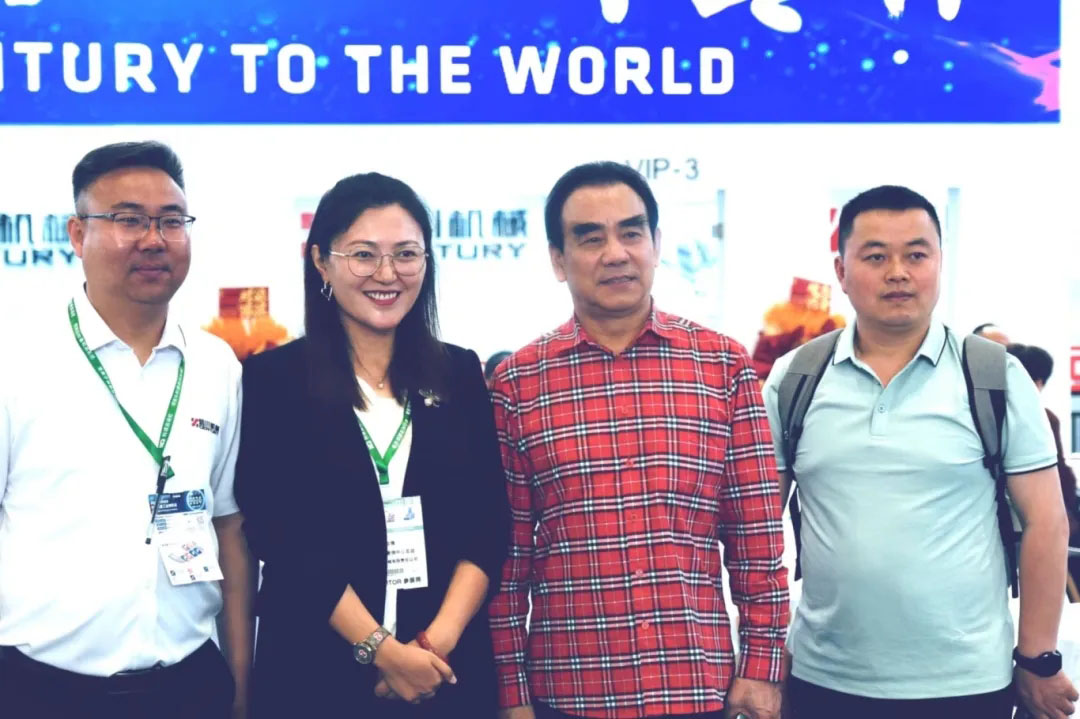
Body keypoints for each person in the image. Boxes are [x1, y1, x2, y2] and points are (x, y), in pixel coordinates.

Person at [488, 162, 789, 719]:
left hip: (697, 690)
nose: (616, 253)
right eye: (590, 238)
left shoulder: (722, 367)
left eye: (631, 232)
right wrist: (512, 694)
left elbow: (757, 538)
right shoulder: (518, 384)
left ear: (656, 244)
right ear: (558, 259)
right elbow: (509, 561)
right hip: (568, 694)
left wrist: (761, 668)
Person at [763, 185, 1078, 719]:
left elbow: (1046, 522)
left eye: (916, 255)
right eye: (875, 256)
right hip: (824, 677)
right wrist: (765, 656)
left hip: (968, 683)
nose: (898, 273)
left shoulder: (994, 376)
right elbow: (757, 528)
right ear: (841, 271)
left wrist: (1037, 657)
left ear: (939, 262)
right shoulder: (795, 378)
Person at [234, 172, 510, 717]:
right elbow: (281, 533)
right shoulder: (274, 378)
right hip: (315, 674)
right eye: (363, 255)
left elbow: (487, 524)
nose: (387, 274)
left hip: (446, 672)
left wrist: (431, 647)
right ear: (321, 261)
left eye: (406, 254)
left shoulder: (459, 372)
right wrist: (383, 652)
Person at [0, 141, 254, 718]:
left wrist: (240, 689)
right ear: (77, 234)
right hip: (41, 690)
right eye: (129, 219)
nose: (154, 239)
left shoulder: (216, 365)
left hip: (189, 687)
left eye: (171, 221)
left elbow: (228, 525)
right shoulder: (16, 360)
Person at [1007, 343, 1080, 588]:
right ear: (1037, 382)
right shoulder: (1043, 417)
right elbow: (1059, 472)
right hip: (1033, 518)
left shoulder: (984, 412)